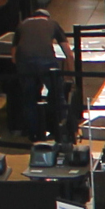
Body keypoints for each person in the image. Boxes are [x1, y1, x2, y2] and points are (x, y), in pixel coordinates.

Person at [13, 8, 70, 142]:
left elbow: (13, 57)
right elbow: (68, 53)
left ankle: (33, 133)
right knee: (57, 94)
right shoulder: (53, 24)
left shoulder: (22, 24)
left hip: (25, 62)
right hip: (47, 61)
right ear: (47, 17)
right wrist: (70, 76)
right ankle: (61, 130)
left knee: (29, 97)